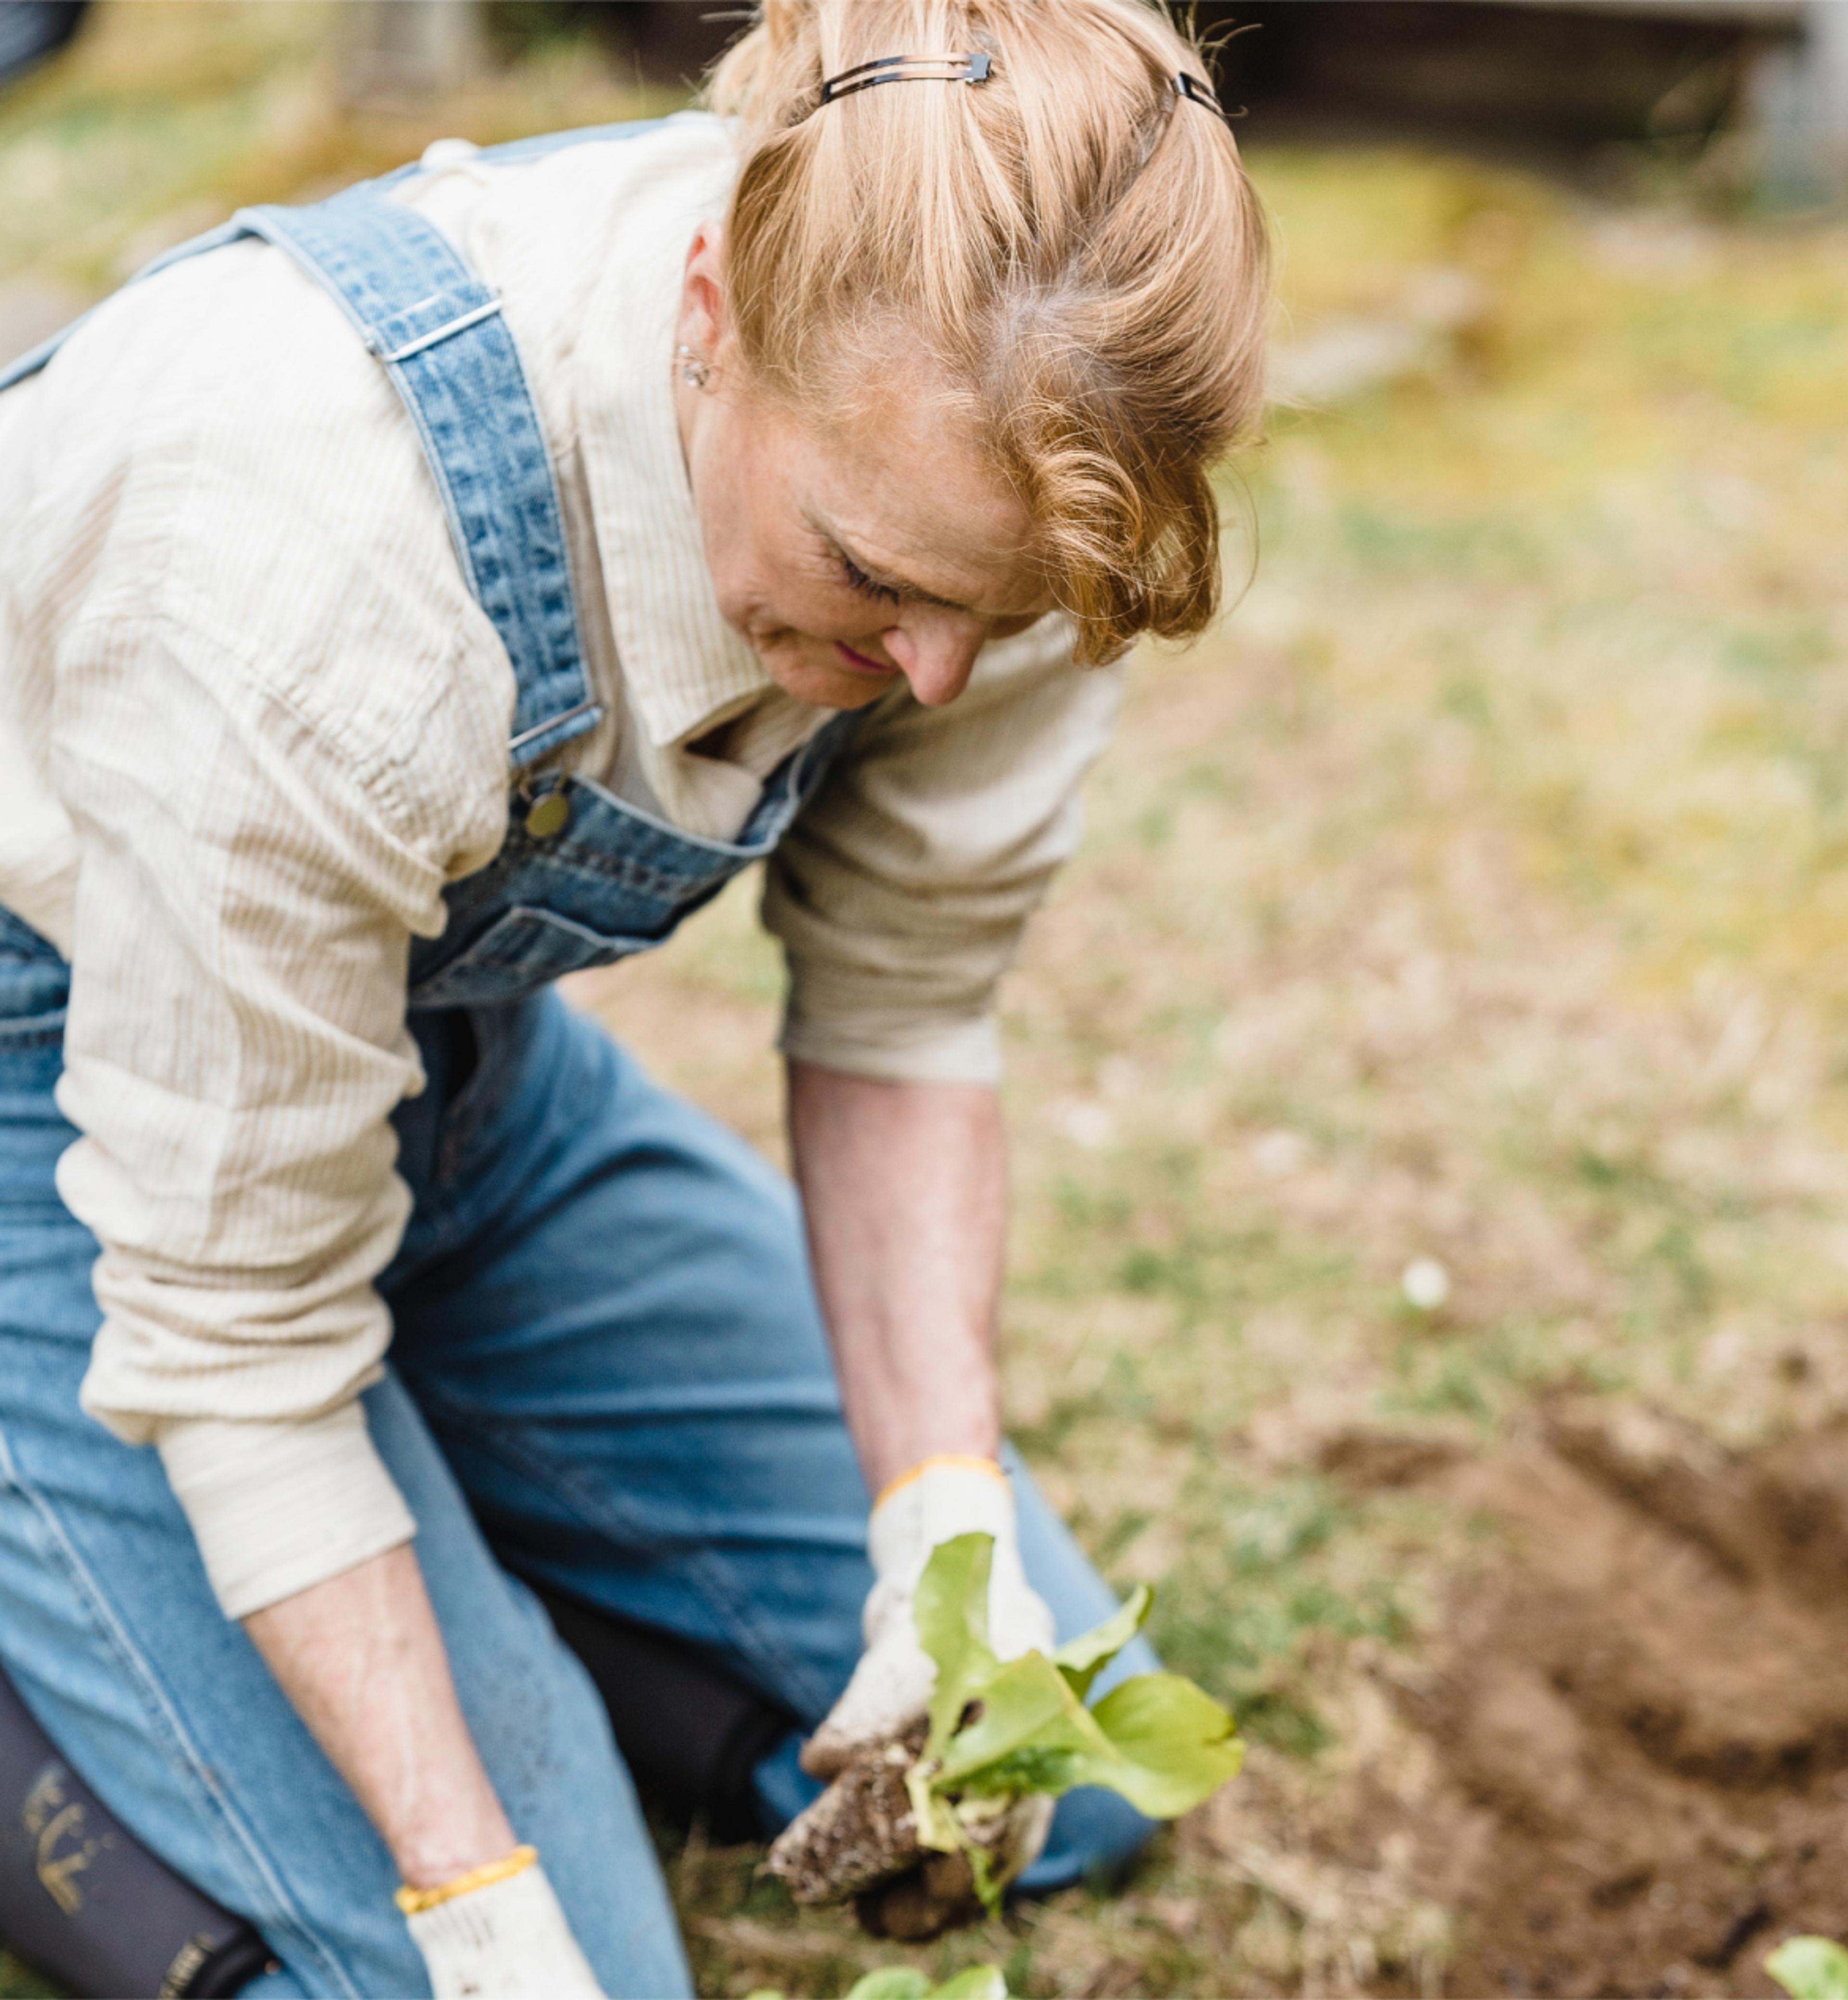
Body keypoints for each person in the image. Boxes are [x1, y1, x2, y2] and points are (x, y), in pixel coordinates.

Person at [0, 0, 1269, 1992]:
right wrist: (468, 1889)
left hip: (445, 1082)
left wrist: (944, 1551)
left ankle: (447, 1549)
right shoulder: (306, 566)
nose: (937, 673)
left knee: (1053, 1785)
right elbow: (238, 1336)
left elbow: (907, 1004)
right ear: (709, 305)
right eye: (873, 578)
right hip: (67, 1138)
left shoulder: (1023, 461)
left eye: (992, 615)